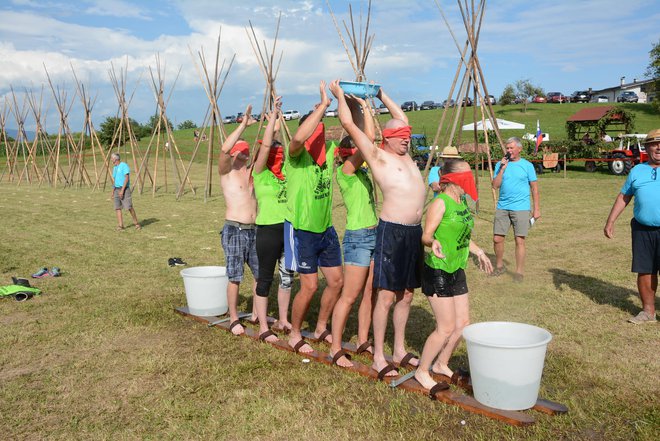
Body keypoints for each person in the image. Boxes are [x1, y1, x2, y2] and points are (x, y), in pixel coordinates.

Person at [330, 79, 426, 378]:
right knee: (385, 295)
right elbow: (348, 123)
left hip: (413, 232)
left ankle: (398, 349)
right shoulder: (378, 156)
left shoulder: (405, 153)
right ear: (388, 137)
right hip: (392, 232)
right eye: (400, 136)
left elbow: (403, 118)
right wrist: (339, 97)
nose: (406, 139)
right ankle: (379, 356)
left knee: (407, 294)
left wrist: (382, 94)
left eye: (407, 136)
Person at [415, 159, 493, 392]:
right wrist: (433, 242)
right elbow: (426, 235)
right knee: (445, 327)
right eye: (466, 175)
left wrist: (479, 252)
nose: (471, 179)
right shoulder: (440, 203)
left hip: (457, 269)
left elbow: (464, 236)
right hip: (438, 270)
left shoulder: (462, 201)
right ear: (451, 178)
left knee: (463, 324)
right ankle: (422, 370)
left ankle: (441, 363)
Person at [285, 81, 343, 354]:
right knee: (309, 286)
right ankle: (295, 333)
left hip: (326, 229)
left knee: (336, 282)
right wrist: (323, 106)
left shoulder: (329, 151)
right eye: (315, 127)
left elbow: (355, 133)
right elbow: (297, 139)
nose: (319, 133)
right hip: (303, 230)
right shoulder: (296, 157)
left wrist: (345, 99)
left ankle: (321, 326)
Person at [329, 94, 378, 367]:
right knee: (349, 295)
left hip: (374, 233)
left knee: (369, 292)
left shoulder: (362, 173)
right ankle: (336, 348)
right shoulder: (346, 172)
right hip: (358, 238)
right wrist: (363, 108)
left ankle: (362, 340)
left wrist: (360, 108)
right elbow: (366, 138)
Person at [604, 128, 660, 324]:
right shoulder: (637, 170)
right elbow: (624, 196)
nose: (659, 147)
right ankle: (648, 312)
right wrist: (610, 221)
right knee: (645, 270)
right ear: (647, 147)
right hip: (642, 228)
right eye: (654, 143)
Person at [251, 97, 294, 341]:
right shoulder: (260, 172)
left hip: (287, 229)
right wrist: (275, 114)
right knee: (265, 276)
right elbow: (267, 147)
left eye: (281, 153)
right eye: (273, 152)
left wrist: (277, 123)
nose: (278, 155)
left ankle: (283, 319)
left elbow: (284, 147)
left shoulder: (287, 171)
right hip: (267, 229)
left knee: (287, 276)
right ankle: (263, 327)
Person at [218, 105, 259, 336]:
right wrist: (242, 124)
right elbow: (224, 151)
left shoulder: (251, 171)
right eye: (240, 153)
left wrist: (271, 119)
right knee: (235, 276)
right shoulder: (227, 171)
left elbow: (264, 151)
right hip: (235, 229)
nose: (244, 156)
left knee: (260, 273)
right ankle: (234, 318)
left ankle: (255, 313)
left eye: (246, 152)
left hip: (254, 229)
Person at [491, 137, 540, 282]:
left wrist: (536, 209)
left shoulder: (527, 165)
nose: (509, 151)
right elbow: (495, 185)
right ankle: (499, 266)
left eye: (512, 148)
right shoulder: (500, 165)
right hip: (502, 207)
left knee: (520, 240)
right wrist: (502, 169)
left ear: (519, 149)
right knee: (497, 238)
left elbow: (534, 188)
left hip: (521, 208)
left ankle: (519, 273)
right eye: (507, 148)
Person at [110, 153, 141, 231]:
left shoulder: (124, 165)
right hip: (116, 189)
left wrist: (122, 190)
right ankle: (121, 225)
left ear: (116, 159)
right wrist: (113, 191)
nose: (111, 159)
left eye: (112, 158)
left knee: (129, 207)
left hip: (124, 189)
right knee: (117, 208)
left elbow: (126, 178)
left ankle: (136, 223)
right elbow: (115, 180)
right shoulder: (114, 168)